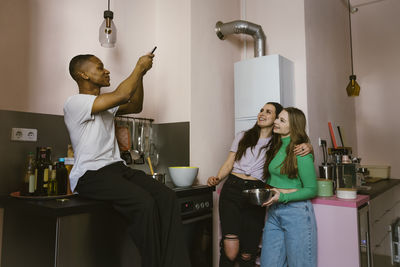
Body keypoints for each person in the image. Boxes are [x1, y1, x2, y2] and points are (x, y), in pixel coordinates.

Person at [63, 53, 191, 267]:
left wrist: (141, 76)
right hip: (90, 175)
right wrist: (138, 67)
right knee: (144, 202)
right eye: (100, 67)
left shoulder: (104, 105)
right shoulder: (75, 103)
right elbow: (123, 94)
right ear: (83, 74)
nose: (107, 71)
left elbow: (135, 105)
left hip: (116, 169)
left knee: (167, 197)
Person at [207, 103, 312, 267]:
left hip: (256, 192)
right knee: (231, 249)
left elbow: (294, 142)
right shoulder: (243, 136)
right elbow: (229, 162)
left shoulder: (276, 143)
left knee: (248, 252)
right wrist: (218, 177)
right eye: (261, 110)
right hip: (233, 187)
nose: (262, 114)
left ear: (276, 119)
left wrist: (308, 146)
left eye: (269, 112)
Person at [260, 107, 318, 267]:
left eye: (282, 120)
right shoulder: (276, 145)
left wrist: (283, 195)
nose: (276, 122)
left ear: (293, 127)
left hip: (297, 214)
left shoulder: (301, 151)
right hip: (274, 212)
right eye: (277, 118)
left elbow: (312, 189)